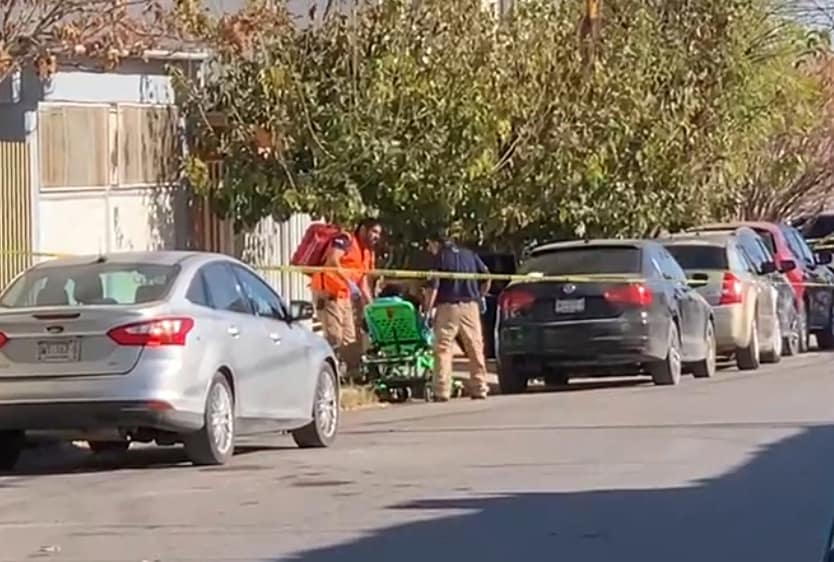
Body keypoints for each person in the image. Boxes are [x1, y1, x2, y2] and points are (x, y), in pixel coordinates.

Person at [423, 232, 491, 401]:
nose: (429, 250)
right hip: (471, 306)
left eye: (429, 245)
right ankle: (480, 387)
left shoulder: (440, 257)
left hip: (448, 307)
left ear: (436, 243)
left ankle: (442, 390)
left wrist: (427, 311)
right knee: (475, 347)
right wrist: (480, 296)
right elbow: (486, 277)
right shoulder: (470, 255)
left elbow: (434, 286)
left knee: (443, 348)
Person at [311, 217, 382, 377]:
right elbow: (332, 261)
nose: (377, 236)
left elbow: (363, 282)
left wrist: (372, 306)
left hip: (345, 296)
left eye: (379, 233)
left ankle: (352, 375)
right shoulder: (345, 240)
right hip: (329, 293)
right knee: (335, 336)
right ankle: (330, 375)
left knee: (351, 338)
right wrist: (348, 282)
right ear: (363, 229)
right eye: (374, 231)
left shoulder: (367, 252)